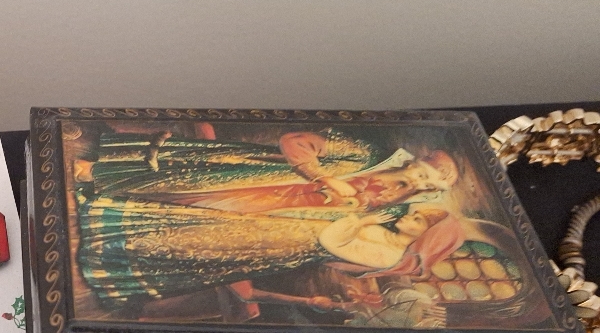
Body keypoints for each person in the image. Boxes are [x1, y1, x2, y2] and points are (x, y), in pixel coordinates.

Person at [76, 195, 462, 318]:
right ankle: (111, 228)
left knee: (206, 247)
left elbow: (332, 242)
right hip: (284, 233)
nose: (407, 217)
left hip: (288, 246)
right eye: (414, 213)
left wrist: (360, 219)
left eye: (416, 220)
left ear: (426, 238)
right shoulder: (387, 237)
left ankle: (110, 254)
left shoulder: (387, 253)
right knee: (208, 229)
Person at [74, 129, 458, 213]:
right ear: (417, 160)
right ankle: (93, 173)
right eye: (425, 173)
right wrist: (324, 177)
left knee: (182, 206)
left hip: (272, 209)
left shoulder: (391, 201)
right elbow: (295, 142)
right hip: (252, 175)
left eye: (429, 185)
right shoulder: (366, 152)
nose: (420, 181)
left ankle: (100, 196)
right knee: (176, 179)